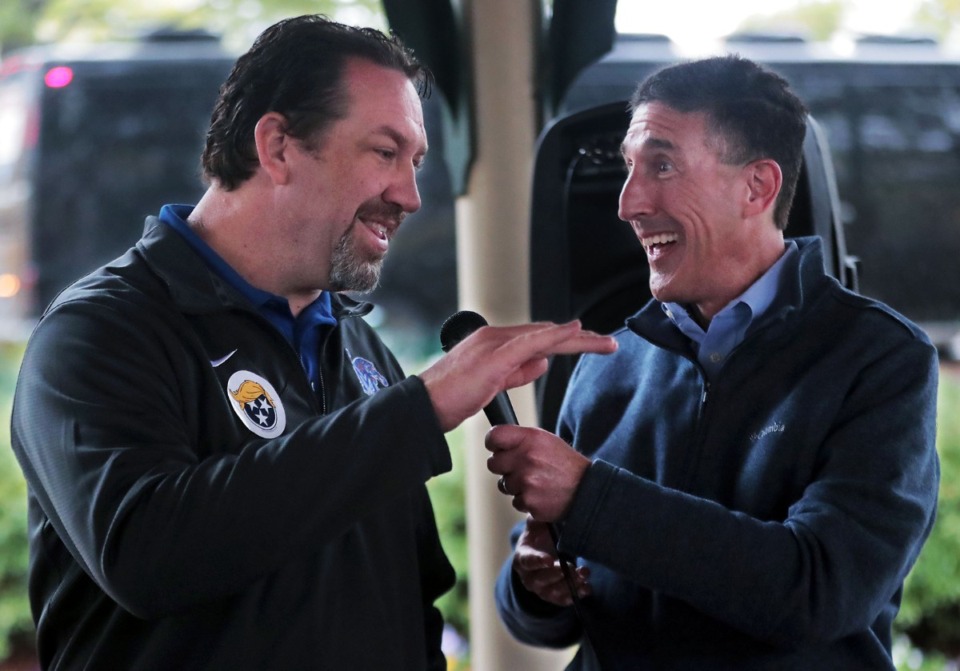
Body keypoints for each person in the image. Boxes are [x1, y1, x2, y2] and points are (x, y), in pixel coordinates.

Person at [9, 15, 617, 670]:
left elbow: (406, 601)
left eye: (416, 162)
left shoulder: (359, 348)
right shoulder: (101, 332)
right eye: (384, 153)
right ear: (276, 146)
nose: (410, 196)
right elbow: (145, 555)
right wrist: (421, 406)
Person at [488, 55, 940, 670]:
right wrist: (531, 580)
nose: (627, 203)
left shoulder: (881, 360)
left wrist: (588, 497)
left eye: (663, 164)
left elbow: (818, 592)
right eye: (629, 167)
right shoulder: (605, 364)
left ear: (758, 186)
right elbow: (544, 615)